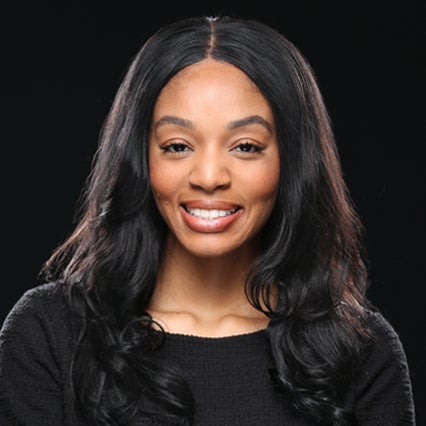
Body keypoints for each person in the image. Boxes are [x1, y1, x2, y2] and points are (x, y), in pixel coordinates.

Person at [0, 15, 416, 426]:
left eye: (246, 146)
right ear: (141, 159)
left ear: (291, 161)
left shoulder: (360, 350)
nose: (209, 176)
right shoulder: (48, 334)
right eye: (177, 146)